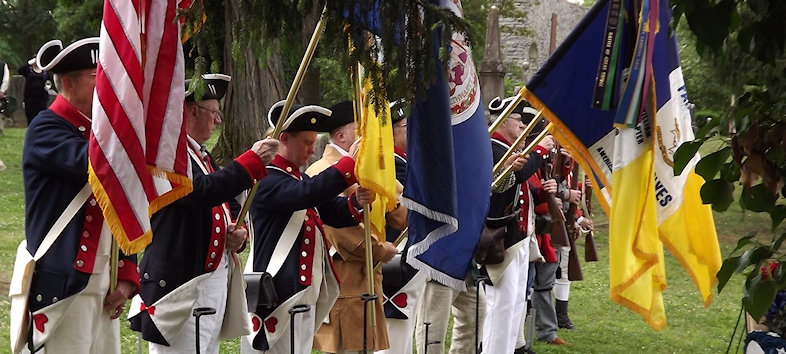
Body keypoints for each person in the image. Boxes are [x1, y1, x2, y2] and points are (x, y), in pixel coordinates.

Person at [128, 74, 279, 353]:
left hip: (211, 279)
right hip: (180, 283)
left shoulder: (200, 155)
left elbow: (227, 203)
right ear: (192, 112)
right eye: (214, 112)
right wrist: (251, 161)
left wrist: (237, 232)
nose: (218, 120)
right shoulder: (167, 155)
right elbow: (200, 191)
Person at [18, 37, 138, 353]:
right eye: (96, 73)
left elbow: (124, 203)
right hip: (65, 282)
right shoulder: (46, 128)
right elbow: (99, 167)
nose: (109, 82)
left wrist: (126, 272)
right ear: (68, 83)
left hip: (105, 282)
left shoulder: (102, 136)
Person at [243, 101, 376, 354]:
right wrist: (348, 164)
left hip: (303, 291)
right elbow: (306, 194)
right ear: (284, 139)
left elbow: (330, 209)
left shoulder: (297, 178)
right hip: (277, 293)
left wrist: (356, 202)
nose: (312, 150)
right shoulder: (265, 178)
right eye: (306, 142)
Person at [309, 100, 402, 353]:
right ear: (341, 136)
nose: (367, 135)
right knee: (348, 348)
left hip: (369, 276)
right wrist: (381, 250)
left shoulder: (367, 167)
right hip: (345, 276)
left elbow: (399, 210)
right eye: (359, 130)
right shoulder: (322, 170)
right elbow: (342, 233)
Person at [481, 101, 553, 354]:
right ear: (501, 121)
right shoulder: (492, 147)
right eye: (517, 119)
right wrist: (540, 151)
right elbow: (514, 177)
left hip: (518, 237)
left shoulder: (506, 148)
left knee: (514, 303)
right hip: (502, 237)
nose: (523, 125)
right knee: (501, 304)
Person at [379, 103, 428, 354]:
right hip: (396, 256)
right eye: (408, 127)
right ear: (392, 132)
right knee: (393, 332)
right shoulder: (392, 165)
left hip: (409, 255)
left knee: (403, 330)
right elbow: (403, 216)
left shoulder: (407, 162)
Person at [18, 57, 53, 124]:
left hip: (42, 98)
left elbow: (50, 81)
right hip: (30, 98)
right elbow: (20, 70)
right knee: (30, 115)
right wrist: (29, 62)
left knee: (41, 115)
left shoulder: (45, 72)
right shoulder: (28, 70)